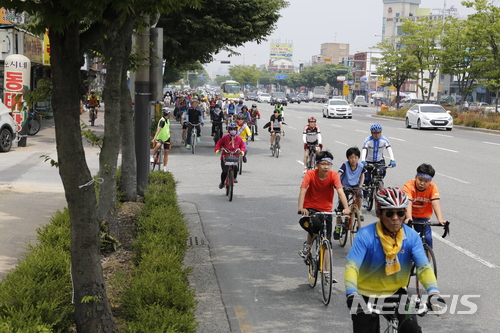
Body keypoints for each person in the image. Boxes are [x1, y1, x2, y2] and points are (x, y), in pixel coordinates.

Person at [344, 187, 446, 333]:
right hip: (365, 295)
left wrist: (433, 292)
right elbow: (352, 267)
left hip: (397, 293)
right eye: (390, 213)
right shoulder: (364, 235)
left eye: (400, 213)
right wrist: (351, 293)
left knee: (412, 330)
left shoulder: (411, 236)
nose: (396, 218)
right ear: (379, 213)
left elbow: (423, 266)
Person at [298, 150, 350, 282]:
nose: (326, 166)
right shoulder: (310, 174)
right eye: (323, 164)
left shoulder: (333, 176)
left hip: (326, 210)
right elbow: (303, 190)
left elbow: (340, 192)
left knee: (328, 242)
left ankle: (327, 272)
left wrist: (346, 208)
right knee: (315, 226)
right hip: (310, 208)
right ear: (317, 164)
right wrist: (301, 208)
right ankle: (308, 245)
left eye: (329, 164)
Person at [402, 164, 446, 248]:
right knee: (404, 239)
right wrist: (408, 218)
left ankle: (427, 261)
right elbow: (408, 202)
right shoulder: (408, 186)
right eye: (420, 180)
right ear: (416, 177)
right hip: (406, 215)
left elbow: (436, 203)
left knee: (428, 240)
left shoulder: (433, 187)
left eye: (426, 181)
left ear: (430, 181)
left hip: (422, 217)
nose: (422, 183)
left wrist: (440, 219)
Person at [361, 124, 396, 206]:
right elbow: (364, 150)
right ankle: (365, 198)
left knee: (383, 171)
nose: (376, 135)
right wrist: (363, 160)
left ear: (381, 132)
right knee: (367, 179)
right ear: (371, 133)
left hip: (380, 161)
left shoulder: (384, 140)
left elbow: (389, 149)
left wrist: (392, 160)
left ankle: (379, 185)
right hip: (368, 161)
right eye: (374, 133)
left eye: (378, 133)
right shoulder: (368, 140)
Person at [336, 147, 366, 227]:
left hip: (355, 185)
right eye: (351, 158)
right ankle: (338, 226)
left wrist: (360, 185)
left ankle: (358, 211)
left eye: (355, 158)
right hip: (345, 186)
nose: (353, 160)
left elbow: (362, 174)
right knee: (341, 207)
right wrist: (339, 185)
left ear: (358, 158)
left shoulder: (360, 166)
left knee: (359, 195)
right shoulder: (345, 165)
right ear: (348, 158)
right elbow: (339, 174)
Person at [214, 123, 246, 188]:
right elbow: (218, 144)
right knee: (225, 171)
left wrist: (242, 151)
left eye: (234, 129)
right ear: (229, 130)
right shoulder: (225, 138)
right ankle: (222, 182)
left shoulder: (239, 139)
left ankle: (234, 178)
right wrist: (218, 150)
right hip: (225, 157)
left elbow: (243, 146)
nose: (233, 130)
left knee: (235, 168)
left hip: (234, 156)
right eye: (231, 129)